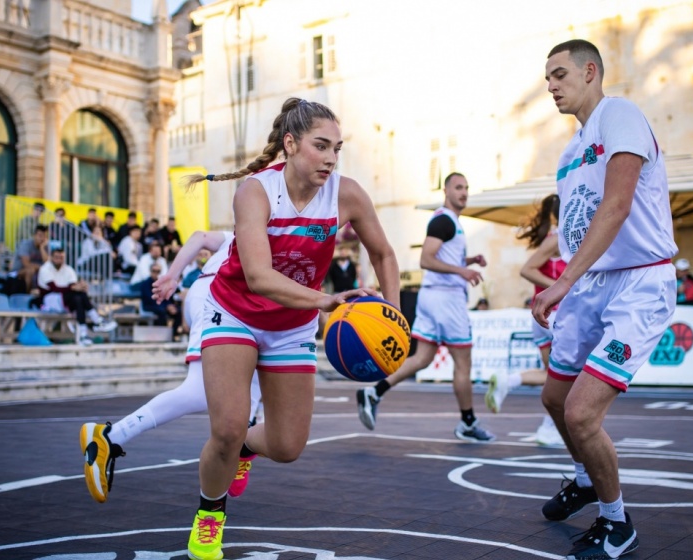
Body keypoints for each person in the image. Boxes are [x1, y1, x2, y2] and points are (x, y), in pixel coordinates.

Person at [176, 97, 399, 560]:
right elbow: (258, 276)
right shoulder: (256, 192)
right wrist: (325, 302)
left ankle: (245, 449)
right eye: (321, 146)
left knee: (287, 445)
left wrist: (393, 317)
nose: (331, 158)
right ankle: (210, 516)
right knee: (227, 428)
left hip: (291, 325)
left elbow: (383, 253)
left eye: (337, 148)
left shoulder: (346, 194)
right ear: (291, 144)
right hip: (234, 312)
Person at [531, 39, 679, 560]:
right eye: (547, 79)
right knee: (554, 398)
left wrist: (559, 282)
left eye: (559, 74)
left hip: (639, 282)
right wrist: (569, 288)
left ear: (590, 71)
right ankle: (584, 479)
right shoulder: (569, 153)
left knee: (580, 413)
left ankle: (617, 524)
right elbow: (578, 225)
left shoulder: (620, 115)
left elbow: (616, 205)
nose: (551, 86)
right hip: (592, 284)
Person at [79, 230, 262, 504]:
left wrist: (173, 276)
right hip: (219, 295)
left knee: (258, 366)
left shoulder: (257, 233)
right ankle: (111, 435)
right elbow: (200, 237)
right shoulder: (258, 229)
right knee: (199, 391)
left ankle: (242, 449)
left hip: (239, 300)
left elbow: (201, 237)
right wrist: (172, 276)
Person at [355, 172, 495, 443]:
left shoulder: (449, 222)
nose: (464, 193)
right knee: (463, 362)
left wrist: (468, 261)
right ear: (446, 191)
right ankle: (468, 422)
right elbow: (426, 260)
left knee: (422, 359)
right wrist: (462, 271)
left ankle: (374, 392)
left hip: (433, 297)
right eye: (458, 187)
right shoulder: (444, 220)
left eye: (466, 188)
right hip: (446, 300)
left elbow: (442, 256)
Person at [485, 194, 566, 448]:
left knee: (554, 376)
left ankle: (510, 381)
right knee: (569, 377)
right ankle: (549, 427)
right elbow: (527, 269)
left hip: (543, 315)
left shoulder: (554, 237)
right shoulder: (558, 238)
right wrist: (560, 287)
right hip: (556, 314)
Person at [37, 247, 117, 345]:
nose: (59, 260)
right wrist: (74, 288)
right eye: (56, 257)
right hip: (49, 299)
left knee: (79, 297)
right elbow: (54, 288)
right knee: (77, 295)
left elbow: (73, 286)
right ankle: (97, 321)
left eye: (61, 257)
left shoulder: (68, 269)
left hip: (67, 299)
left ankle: (84, 334)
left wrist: (81, 286)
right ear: (51, 257)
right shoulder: (45, 269)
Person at [14, 224, 49, 291]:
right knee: (30, 270)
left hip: (37, 271)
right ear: (34, 236)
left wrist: (42, 248)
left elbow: (47, 264)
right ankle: (27, 294)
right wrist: (41, 268)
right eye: (40, 236)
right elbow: (26, 264)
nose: (42, 239)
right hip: (18, 272)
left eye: (45, 236)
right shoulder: (25, 244)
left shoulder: (45, 247)